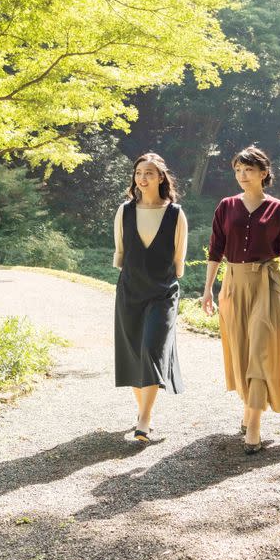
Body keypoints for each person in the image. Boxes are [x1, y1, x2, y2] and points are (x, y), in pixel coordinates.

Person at [201, 146, 280, 454]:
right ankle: (249, 411)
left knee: (259, 351)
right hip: (233, 285)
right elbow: (215, 250)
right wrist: (207, 290)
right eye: (238, 171)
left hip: (268, 286)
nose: (242, 176)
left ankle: (253, 426)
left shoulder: (279, 209)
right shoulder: (226, 206)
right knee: (242, 355)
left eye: (249, 170)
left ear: (263, 173)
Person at [113, 152, 188, 443]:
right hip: (130, 289)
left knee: (152, 349)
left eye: (149, 173)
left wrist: (167, 276)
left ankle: (144, 420)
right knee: (133, 352)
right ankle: (143, 412)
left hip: (163, 291)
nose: (142, 178)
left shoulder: (175, 213)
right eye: (138, 173)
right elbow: (121, 252)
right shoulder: (125, 211)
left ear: (161, 178)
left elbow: (178, 258)